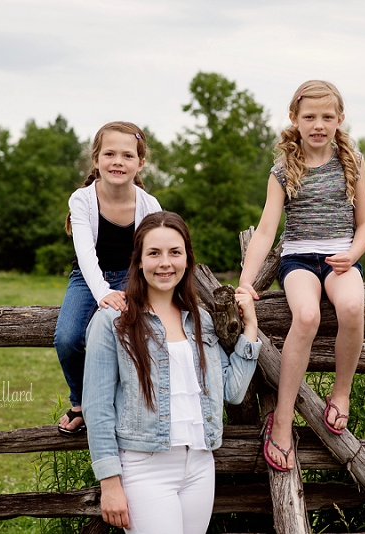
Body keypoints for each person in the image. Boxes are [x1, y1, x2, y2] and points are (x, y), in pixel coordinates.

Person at [82, 211, 261, 532]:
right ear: (138, 261)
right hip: (144, 468)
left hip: (200, 466)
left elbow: (232, 393)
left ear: (187, 259)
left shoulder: (201, 321)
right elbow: (97, 408)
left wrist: (250, 330)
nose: (165, 262)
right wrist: (109, 482)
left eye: (175, 252)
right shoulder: (113, 321)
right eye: (154, 253)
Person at [238, 80, 365, 471]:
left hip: (341, 258)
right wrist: (246, 281)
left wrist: (351, 254)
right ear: (294, 119)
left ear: (340, 119)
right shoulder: (283, 170)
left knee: (351, 307)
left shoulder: (353, 162)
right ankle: (281, 419)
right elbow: (266, 231)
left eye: (327, 116)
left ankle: (341, 392)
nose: (318, 124)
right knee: (308, 316)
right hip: (298, 259)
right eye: (309, 116)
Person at [54, 121, 161, 435]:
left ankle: (129, 406)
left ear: (140, 163)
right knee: (68, 338)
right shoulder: (82, 200)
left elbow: (154, 254)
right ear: (96, 159)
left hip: (133, 279)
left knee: (131, 337)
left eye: (128, 156)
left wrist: (139, 293)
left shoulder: (149, 205)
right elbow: (86, 254)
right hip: (88, 279)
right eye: (110, 154)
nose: (118, 161)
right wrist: (103, 292)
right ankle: (80, 403)